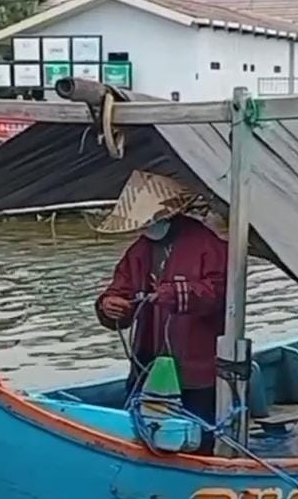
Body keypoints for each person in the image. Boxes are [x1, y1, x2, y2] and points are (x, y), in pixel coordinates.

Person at [94, 172, 228, 445]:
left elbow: (218, 294)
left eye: (148, 221)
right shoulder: (139, 251)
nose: (145, 228)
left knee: (198, 434)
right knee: (140, 430)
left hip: (196, 362)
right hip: (147, 358)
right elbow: (120, 290)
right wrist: (110, 305)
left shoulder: (208, 245)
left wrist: (171, 293)